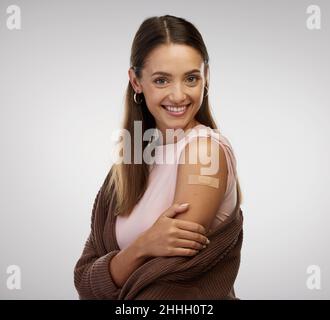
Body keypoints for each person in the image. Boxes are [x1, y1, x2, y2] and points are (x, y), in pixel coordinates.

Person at [74, 14, 243, 300]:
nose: (178, 96)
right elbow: (83, 278)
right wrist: (143, 246)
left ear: (207, 77)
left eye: (191, 78)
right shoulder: (130, 163)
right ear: (136, 81)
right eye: (162, 80)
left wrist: (117, 268)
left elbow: (171, 285)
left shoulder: (204, 151)